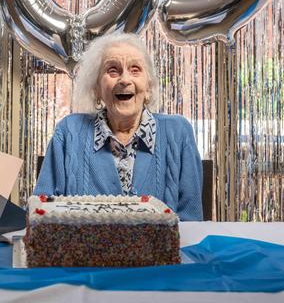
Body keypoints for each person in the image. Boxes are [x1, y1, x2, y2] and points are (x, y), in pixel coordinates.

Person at [34, 33, 203, 221]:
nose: (124, 79)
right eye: (112, 70)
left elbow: (191, 223)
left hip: (159, 251)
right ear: (97, 88)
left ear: (148, 87)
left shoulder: (178, 133)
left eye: (135, 69)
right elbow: (40, 216)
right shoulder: (69, 132)